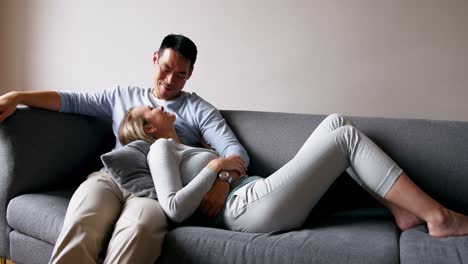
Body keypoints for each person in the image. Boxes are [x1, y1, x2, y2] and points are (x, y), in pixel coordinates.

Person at [0, 34, 248, 263]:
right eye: (166, 68)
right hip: (110, 179)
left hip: (153, 191)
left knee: (139, 229)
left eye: (180, 74)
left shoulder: (199, 110)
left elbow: (235, 152)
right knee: (84, 219)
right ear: (155, 59)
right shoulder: (122, 96)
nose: (171, 80)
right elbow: (72, 101)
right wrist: (18, 97)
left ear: (190, 73)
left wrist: (223, 180)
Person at [118, 105, 468, 237]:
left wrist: (224, 171)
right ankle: (438, 217)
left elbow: (237, 165)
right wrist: (215, 165)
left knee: (336, 121)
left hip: (256, 192)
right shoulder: (161, 149)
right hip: (247, 210)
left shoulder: (181, 145)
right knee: (345, 138)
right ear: (149, 129)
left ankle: (402, 213)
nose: (156, 106)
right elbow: (174, 208)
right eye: (150, 110)